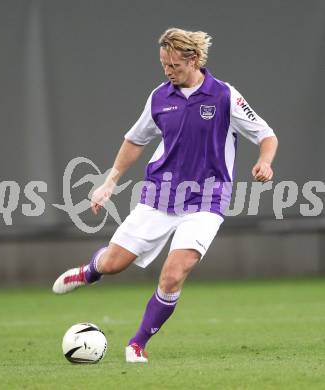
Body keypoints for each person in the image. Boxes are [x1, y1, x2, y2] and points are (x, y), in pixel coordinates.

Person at [53, 28, 278, 363]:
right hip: (160, 195)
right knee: (114, 264)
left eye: (173, 65)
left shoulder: (224, 96)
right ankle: (90, 271)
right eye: (164, 64)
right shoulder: (160, 97)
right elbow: (135, 140)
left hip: (207, 200)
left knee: (174, 273)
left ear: (193, 59)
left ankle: (137, 344)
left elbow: (266, 134)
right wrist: (110, 181)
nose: (167, 70)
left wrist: (264, 161)